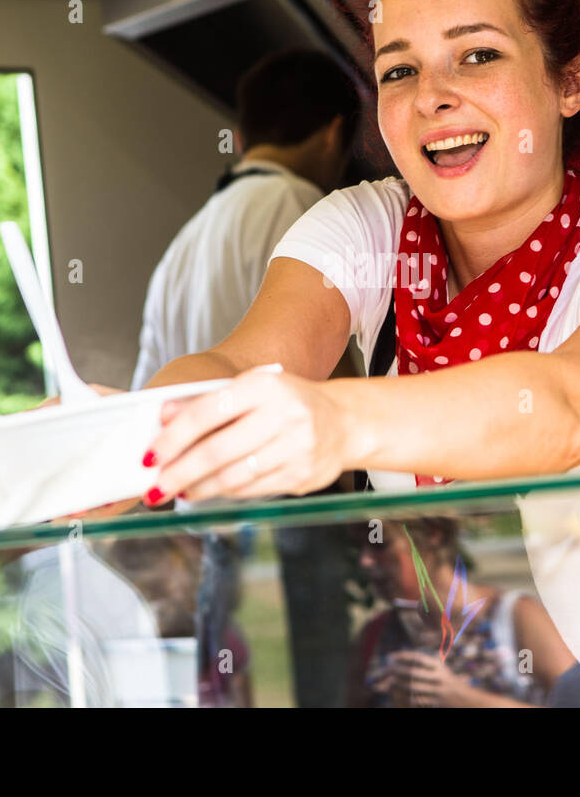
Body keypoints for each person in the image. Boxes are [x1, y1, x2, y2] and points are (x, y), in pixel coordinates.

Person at [91, 0, 580, 706]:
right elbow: (236, 364)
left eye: (477, 55)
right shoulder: (368, 227)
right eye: (399, 69)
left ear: (567, 82)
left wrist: (335, 421)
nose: (432, 96)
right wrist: (114, 441)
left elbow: (563, 409)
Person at [131, 49, 363, 706]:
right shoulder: (303, 207)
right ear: (333, 134)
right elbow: (337, 379)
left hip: (210, 538)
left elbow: (153, 394)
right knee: (318, 693)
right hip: (294, 522)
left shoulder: (185, 241)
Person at [348, 518, 574, 707]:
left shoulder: (516, 616)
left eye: (380, 545)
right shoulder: (377, 633)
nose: (365, 561)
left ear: (432, 534)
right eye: (361, 547)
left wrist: (461, 698)